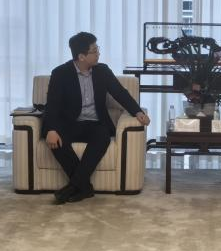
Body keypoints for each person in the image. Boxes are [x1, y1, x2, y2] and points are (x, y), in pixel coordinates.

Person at [42, 32, 149, 205]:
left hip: (94, 124)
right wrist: (52, 129)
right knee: (56, 141)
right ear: (81, 56)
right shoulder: (60, 73)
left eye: (97, 49)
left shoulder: (102, 71)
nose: (98, 53)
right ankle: (84, 188)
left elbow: (120, 93)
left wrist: (137, 111)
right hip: (69, 123)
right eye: (94, 50)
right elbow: (52, 105)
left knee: (102, 136)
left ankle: (73, 187)